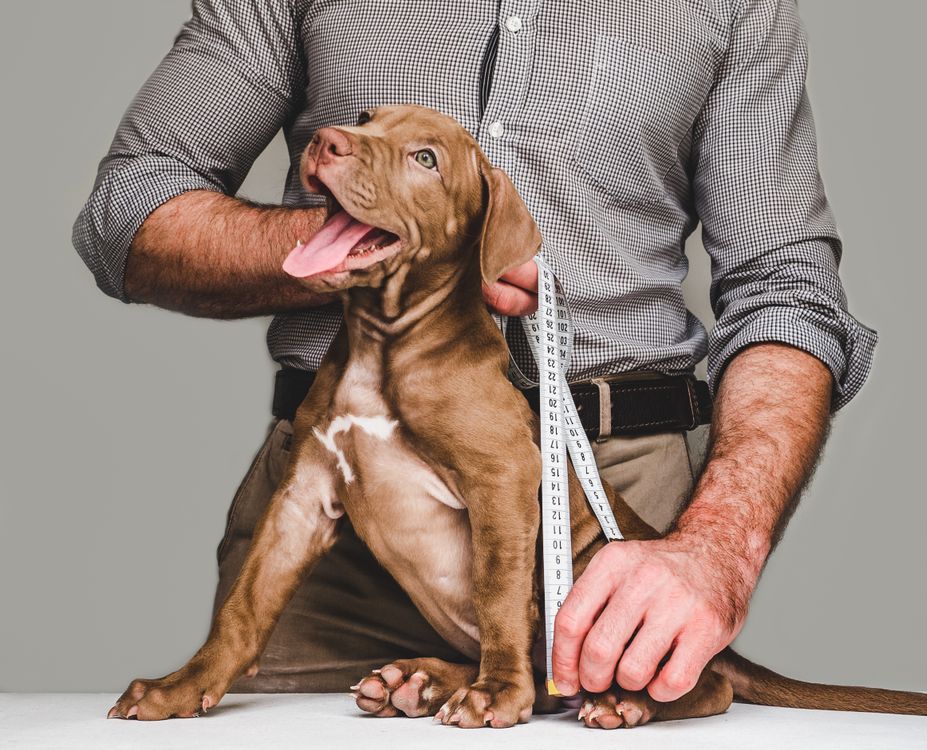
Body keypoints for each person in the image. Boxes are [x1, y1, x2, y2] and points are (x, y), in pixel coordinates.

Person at [72, 0, 877, 704]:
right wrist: (375, 241)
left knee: (632, 707)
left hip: (606, 520)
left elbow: (784, 287)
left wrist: (718, 546)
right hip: (341, 516)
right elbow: (128, 211)